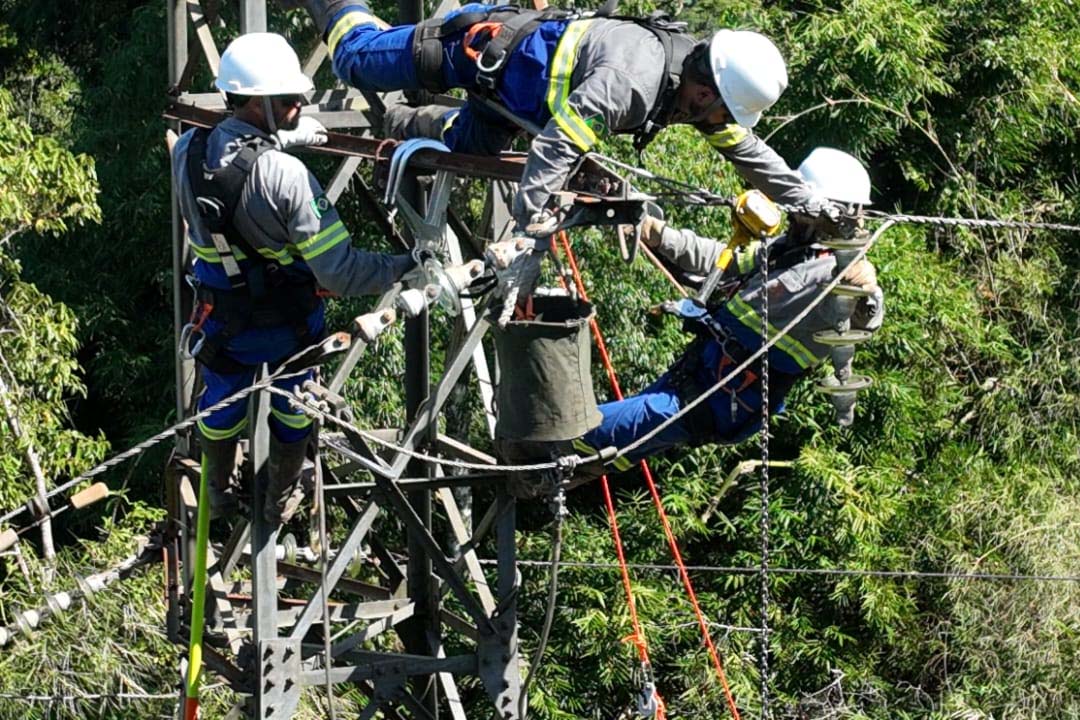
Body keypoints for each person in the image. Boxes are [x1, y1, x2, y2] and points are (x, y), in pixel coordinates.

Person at [289, 0, 836, 233]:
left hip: (510, 105)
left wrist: (809, 200)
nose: (717, 121)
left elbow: (748, 153)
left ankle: (407, 124)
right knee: (356, 59)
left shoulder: (692, 82)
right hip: (477, 52)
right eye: (719, 110)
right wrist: (530, 215)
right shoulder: (634, 84)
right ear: (705, 93)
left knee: (469, 148)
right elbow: (557, 145)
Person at [172, 33, 426, 524]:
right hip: (285, 325)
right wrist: (407, 264)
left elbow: (233, 164)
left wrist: (281, 139)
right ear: (261, 101)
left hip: (221, 322)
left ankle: (219, 494)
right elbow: (342, 271)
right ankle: (280, 494)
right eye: (289, 101)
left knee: (221, 406)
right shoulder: (286, 177)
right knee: (294, 407)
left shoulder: (187, 148)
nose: (298, 106)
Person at [573, 148, 884, 469]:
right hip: (697, 375)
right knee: (612, 449)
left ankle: (540, 455)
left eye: (799, 203)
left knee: (586, 432)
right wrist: (656, 233)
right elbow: (722, 260)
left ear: (828, 212)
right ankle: (551, 474)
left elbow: (864, 322)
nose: (790, 210)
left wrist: (867, 295)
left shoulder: (837, 274)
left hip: (721, 401)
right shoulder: (788, 251)